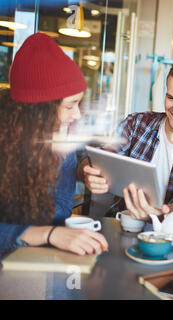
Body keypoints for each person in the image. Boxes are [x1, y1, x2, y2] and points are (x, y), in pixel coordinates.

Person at [0, 33, 108, 255]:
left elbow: (77, 158)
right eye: (70, 106)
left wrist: (84, 171)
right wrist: (50, 234)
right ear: (39, 109)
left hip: (55, 249)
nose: (77, 114)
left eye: (79, 103)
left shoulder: (62, 129)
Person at [81, 58, 173, 219]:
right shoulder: (136, 124)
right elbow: (96, 159)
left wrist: (155, 215)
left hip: (168, 232)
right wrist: (87, 172)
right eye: (171, 98)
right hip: (121, 221)